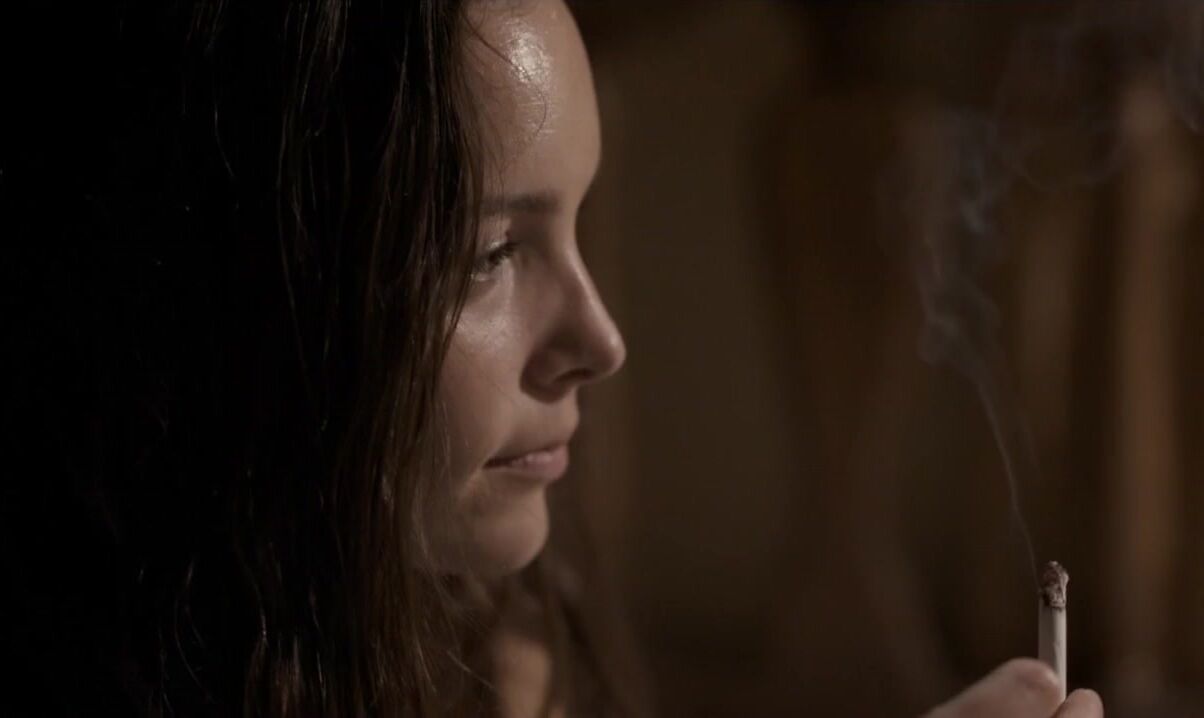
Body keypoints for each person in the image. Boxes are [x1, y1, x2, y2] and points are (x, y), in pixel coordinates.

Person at [0, 0, 1103, 715]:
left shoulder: (494, 647)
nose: (600, 341)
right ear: (242, 295)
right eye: (490, 254)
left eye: (576, 220)